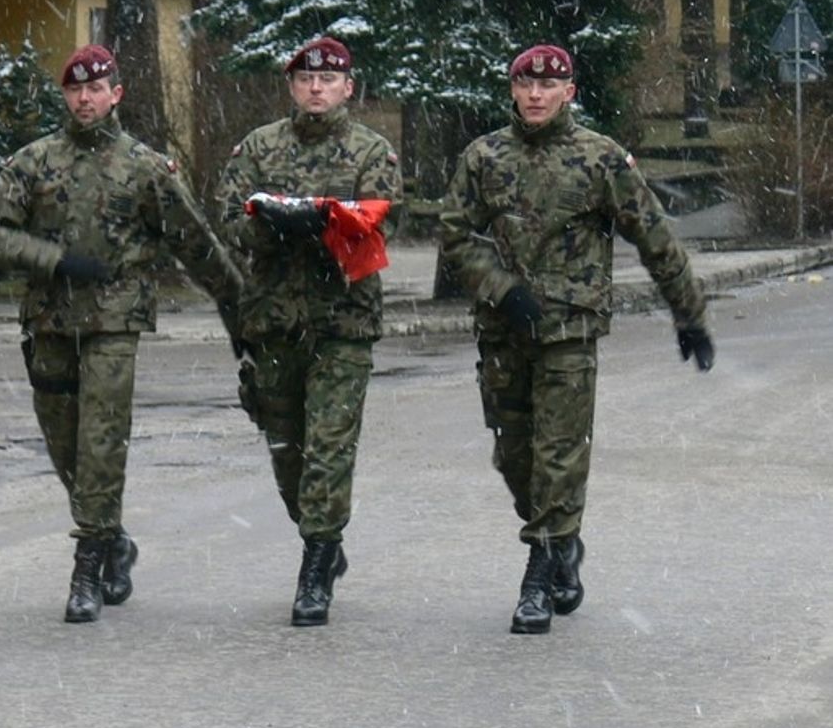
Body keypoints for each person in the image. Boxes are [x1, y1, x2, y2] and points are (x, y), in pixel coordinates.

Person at [439, 43, 715, 634]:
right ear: (512, 90)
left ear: (570, 91)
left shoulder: (600, 159)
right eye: (525, 84)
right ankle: (563, 543)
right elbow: (455, 235)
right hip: (504, 331)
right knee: (515, 457)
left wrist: (688, 314)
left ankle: (539, 574)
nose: (536, 94)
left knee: (559, 454)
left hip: (570, 330)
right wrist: (502, 288)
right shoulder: (485, 156)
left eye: (549, 84)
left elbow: (655, 238)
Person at [0, 44, 242, 624]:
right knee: (65, 445)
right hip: (50, 317)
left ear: (116, 94)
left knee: (100, 439)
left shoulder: (143, 167)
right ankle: (114, 539)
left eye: (96, 90)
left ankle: (87, 568)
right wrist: (54, 259)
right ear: (65, 96)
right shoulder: (35, 161)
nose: (85, 100)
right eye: (75, 90)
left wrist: (237, 302)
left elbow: (193, 240)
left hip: (116, 318)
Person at [218, 36, 404, 626]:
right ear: (292, 87)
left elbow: (374, 227)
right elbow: (229, 218)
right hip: (274, 322)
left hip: (341, 321)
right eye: (305, 79)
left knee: (329, 445)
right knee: (287, 451)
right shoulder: (259, 147)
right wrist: (274, 223)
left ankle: (317, 563)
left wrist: (319, 220)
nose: (316, 88)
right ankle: (319, 533)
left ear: (349, 87)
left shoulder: (371, 151)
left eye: (328, 79)